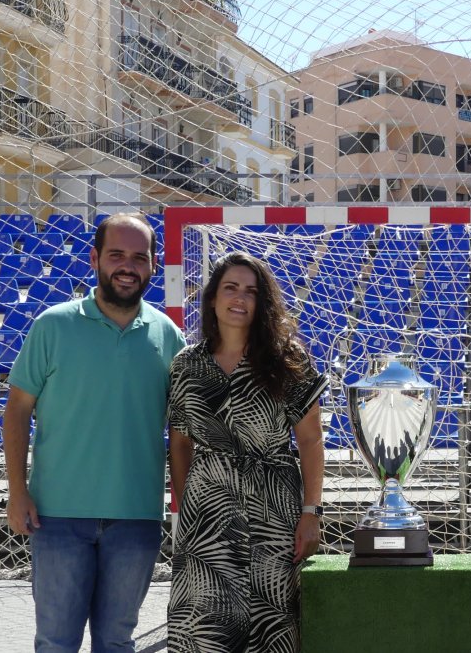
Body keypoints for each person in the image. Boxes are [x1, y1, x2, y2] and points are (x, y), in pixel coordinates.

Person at [3, 212, 186, 652]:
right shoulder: (53, 325)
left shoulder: (169, 336)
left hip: (136, 518)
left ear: (153, 266)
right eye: (116, 254)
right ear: (94, 259)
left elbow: (183, 433)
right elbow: (16, 412)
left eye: (139, 257)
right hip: (58, 516)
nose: (128, 266)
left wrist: (188, 506)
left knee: (116, 643)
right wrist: (16, 491)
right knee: (56, 643)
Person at [167, 251, 327, 652]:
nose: (240, 298)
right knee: (205, 627)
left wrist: (311, 513)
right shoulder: (187, 365)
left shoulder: (287, 359)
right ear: (213, 298)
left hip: (273, 513)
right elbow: (181, 443)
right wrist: (188, 506)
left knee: (271, 626)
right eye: (231, 288)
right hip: (206, 518)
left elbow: (310, 440)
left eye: (251, 291)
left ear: (262, 302)